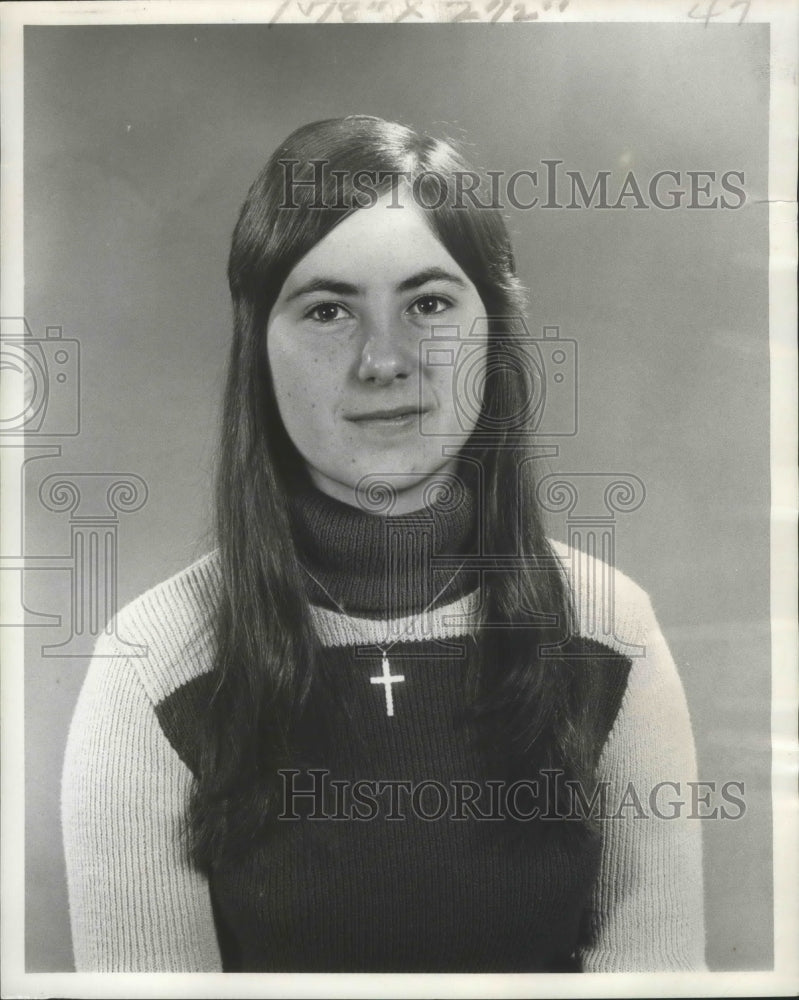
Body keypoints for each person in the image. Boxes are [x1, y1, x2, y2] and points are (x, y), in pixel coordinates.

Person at [61, 116, 705, 973]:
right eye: (327, 310)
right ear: (258, 350)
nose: (383, 359)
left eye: (429, 303)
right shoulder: (150, 665)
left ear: (495, 332)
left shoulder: (609, 630)